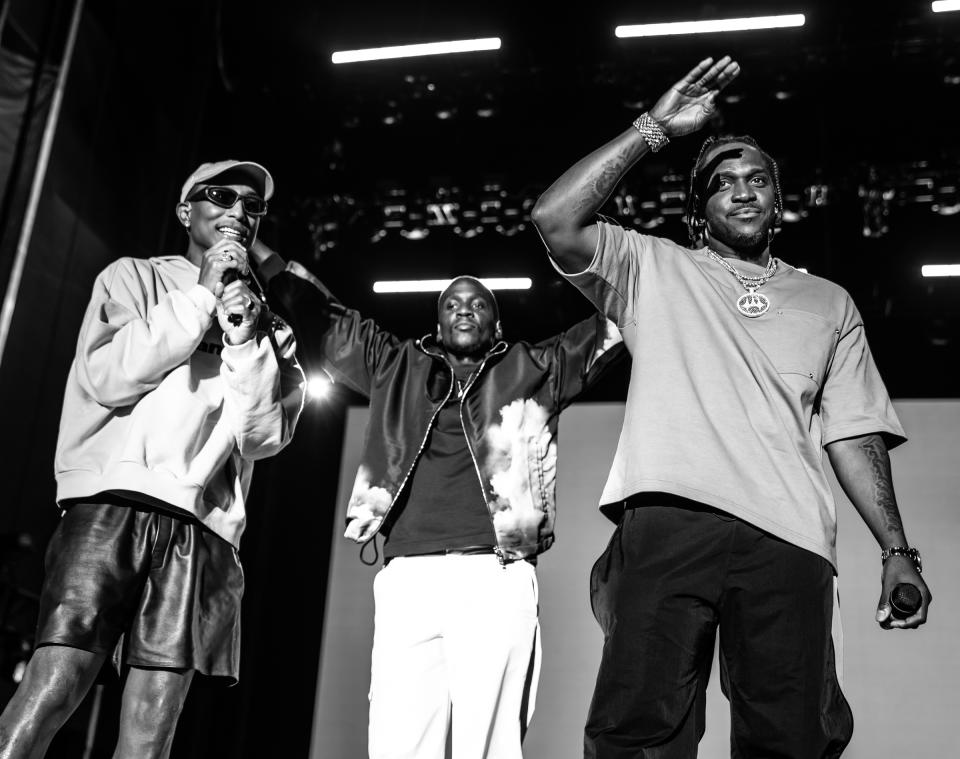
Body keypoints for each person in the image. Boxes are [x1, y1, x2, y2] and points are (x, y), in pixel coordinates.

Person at [531, 57, 932, 758]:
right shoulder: (651, 265)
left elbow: (854, 433)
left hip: (790, 537)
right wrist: (654, 129)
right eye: (723, 182)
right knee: (637, 734)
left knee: (792, 738)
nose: (742, 192)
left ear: (779, 200)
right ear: (697, 209)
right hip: (668, 519)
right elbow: (554, 218)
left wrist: (896, 550)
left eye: (758, 181)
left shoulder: (829, 301)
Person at [250, 242, 624, 759]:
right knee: (397, 745)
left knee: (490, 748)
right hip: (409, 579)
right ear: (437, 323)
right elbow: (323, 315)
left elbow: (614, 324)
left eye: (478, 303)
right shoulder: (395, 365)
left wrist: (654, 269)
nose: (463, 308)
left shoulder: (533, 367)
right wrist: (257, 251)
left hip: (495, 575)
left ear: (497, 326)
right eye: (451, 303)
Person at [0, 160, 305, 759]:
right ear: (185, 211)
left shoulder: (272, 329)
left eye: (252, 205)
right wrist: (199, 298)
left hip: (205, 531)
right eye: (221, 195)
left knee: (150, 732)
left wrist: (244, 337)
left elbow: (263, 436)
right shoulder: (132, 279)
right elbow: (110, 378)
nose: (238, 212)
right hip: (110, 505)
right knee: (51, 692)